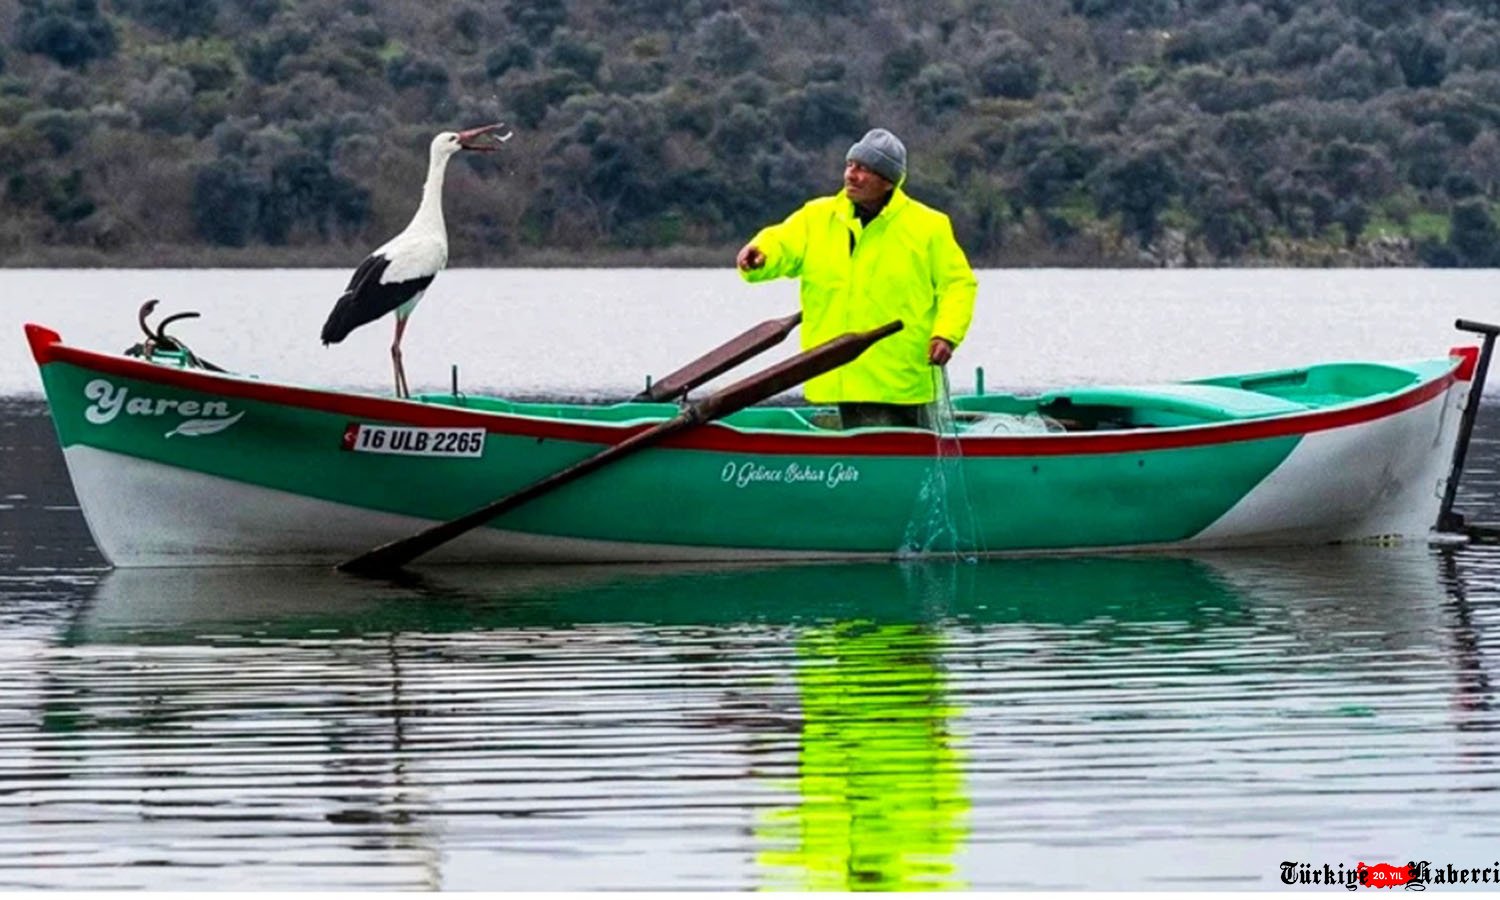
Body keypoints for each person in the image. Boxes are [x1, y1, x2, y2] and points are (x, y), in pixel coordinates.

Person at [736, 128, 977, 430]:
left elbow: (958, 285)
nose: (851, 174)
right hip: (831, 376)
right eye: (850, 165)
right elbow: (781, 243)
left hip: (899, 379)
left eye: (864, 169)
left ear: (888, 181)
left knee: (903, 451)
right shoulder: (816, 216)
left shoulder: (928, 226)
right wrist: (760, 254)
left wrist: (946, 335)